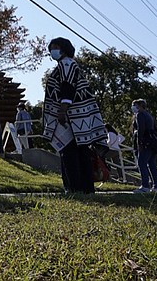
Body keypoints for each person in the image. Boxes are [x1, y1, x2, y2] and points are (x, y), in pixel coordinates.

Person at [42, 37, 106, 194]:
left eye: (56, 47)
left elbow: (68, 87)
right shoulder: (67, 65)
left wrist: (63, 109)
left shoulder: (67, 64)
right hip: (78, 117)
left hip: (72, 117)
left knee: (70, 153)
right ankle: (85, 188)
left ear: (64, 49)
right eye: (51, 48)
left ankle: (75, 187)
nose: (53, 51)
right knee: (81, 152)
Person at [131, 99, 157, 193]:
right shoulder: (148, 115)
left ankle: (145, 186)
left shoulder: (140, 115)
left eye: (134, 105)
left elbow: (141, 129)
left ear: (139, 106)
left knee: (142, 163)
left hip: (145, 142)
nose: (133, 107)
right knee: (152, 164)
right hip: (152, 142)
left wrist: (139, 142)